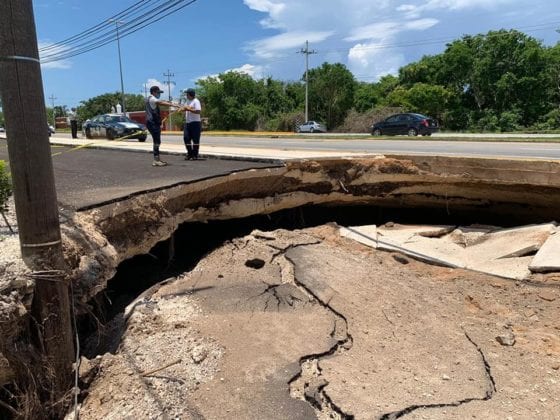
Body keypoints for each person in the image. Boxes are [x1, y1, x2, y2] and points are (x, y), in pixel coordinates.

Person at [146, 85, 180, 167]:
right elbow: (160, 102)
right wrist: (173, 105)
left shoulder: (149, 99)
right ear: (154, 92)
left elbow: (160, 101)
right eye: (158, 92)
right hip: (153, 123)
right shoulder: (152, 98)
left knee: (157, 141)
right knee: (157, 141)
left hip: (153, 123)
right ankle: (156, 160)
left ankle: (157, 159)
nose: (159, 94)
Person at [182, 88, 202, 160]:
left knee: (195, 140)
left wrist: (188, 109)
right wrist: (182, 109)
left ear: (190, 94)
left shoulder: (196, 101)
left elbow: (198, 111)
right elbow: (184, 108)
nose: (186, 95)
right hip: (187, 123)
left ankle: (195, 155)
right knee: (186, 138)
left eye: (187, 94)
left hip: (195, 123)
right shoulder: (187, 101)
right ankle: (189, 153)